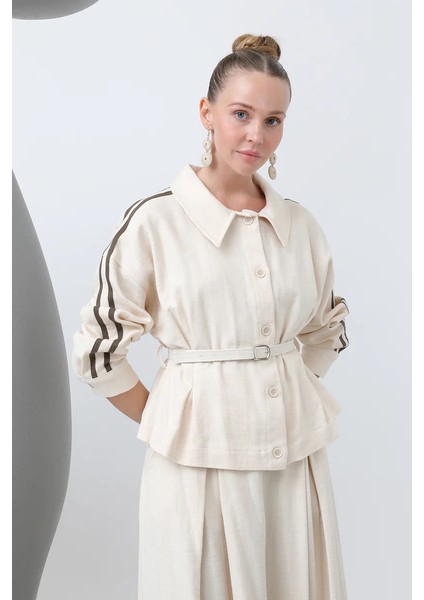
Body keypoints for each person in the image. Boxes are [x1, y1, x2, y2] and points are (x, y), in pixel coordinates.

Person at [72, 32, 350, 600]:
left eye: (273, 120)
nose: (256, 135)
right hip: (196, 463)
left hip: (294, 462)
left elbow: (328, 330)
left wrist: (279, 391)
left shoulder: (300, 225)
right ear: (207, 113)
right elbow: (98, 352)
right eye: (241, 114)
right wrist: (169, 415)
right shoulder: (156, 222)